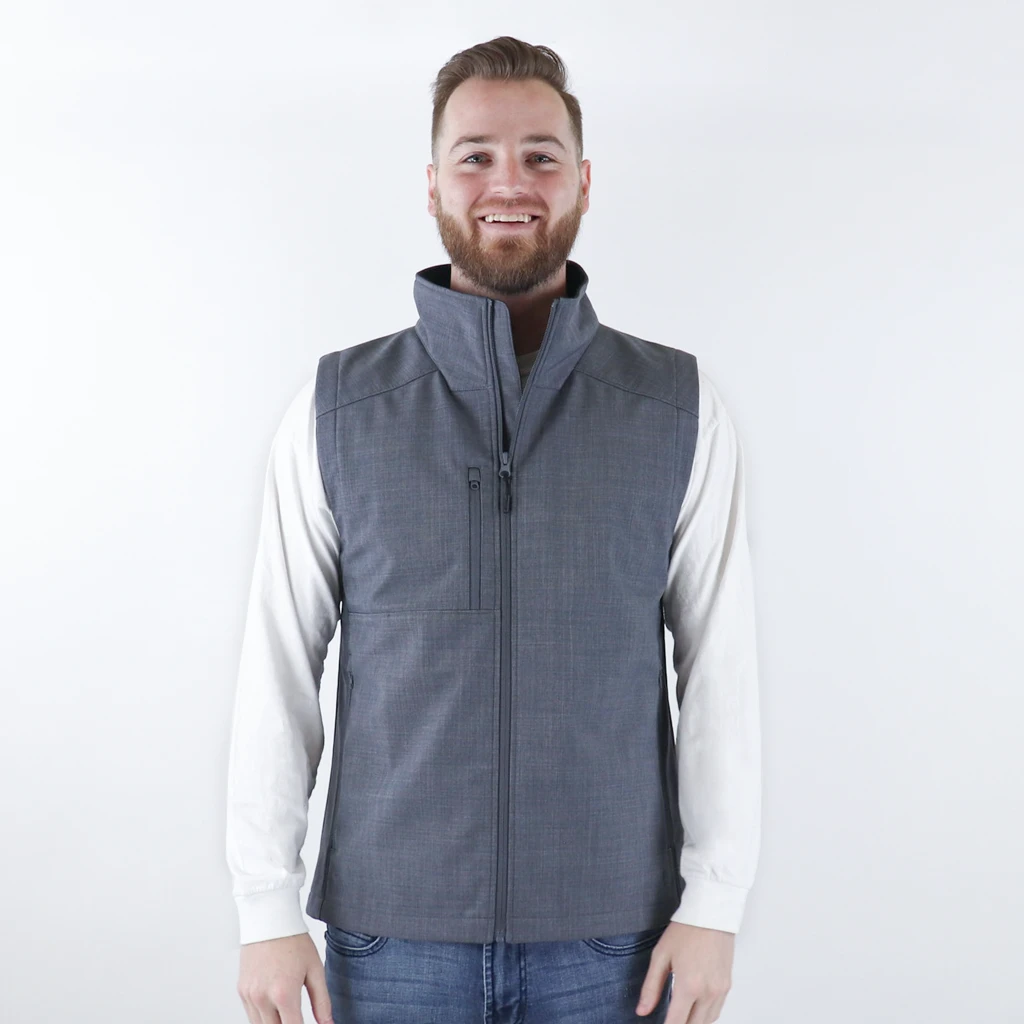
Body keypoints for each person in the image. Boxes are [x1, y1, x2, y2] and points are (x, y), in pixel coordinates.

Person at [227, 35, 761, 1024]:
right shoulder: (337, 409)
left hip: (615, 941)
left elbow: (719, 666)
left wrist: (715, 903)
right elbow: (279, 662)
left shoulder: (676, 408)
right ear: (432, 183)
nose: (508, 182)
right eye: (475, 155)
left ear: (583, 182)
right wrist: (265, 906)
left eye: (539, 156)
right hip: (391, 939)